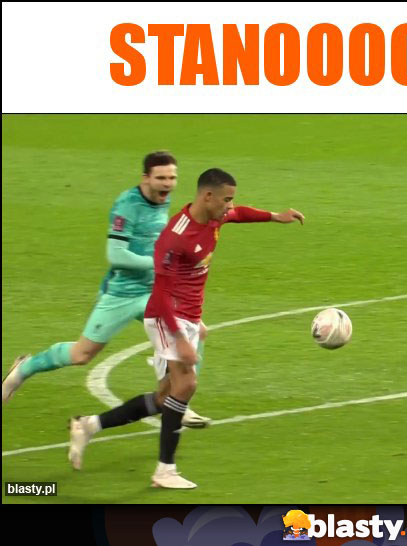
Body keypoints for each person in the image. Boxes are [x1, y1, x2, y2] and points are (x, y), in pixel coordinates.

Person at [67, 167, 305, 489]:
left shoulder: (216, 216)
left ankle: (88, 426)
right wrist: (179, 339)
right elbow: (160, 294)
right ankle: (165, 470)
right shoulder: (175, 238)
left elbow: (239, 214)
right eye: (226, 199)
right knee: (187, 384)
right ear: (207, 196)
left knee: (165, 397)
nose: (229, 206)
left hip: (189, 316)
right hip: (167, 316)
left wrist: (276, 217)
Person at [2, 151, 210, 427]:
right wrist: (158, 261)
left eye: (172, 178)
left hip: (153, 291)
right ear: (145, 178)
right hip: (122, 293)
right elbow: (116, 255)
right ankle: (23, 369)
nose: (168, 184)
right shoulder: (127, 205)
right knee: (82, 355)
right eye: (161, 178)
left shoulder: (162, 199)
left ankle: (179, 402)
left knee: (197, 331)